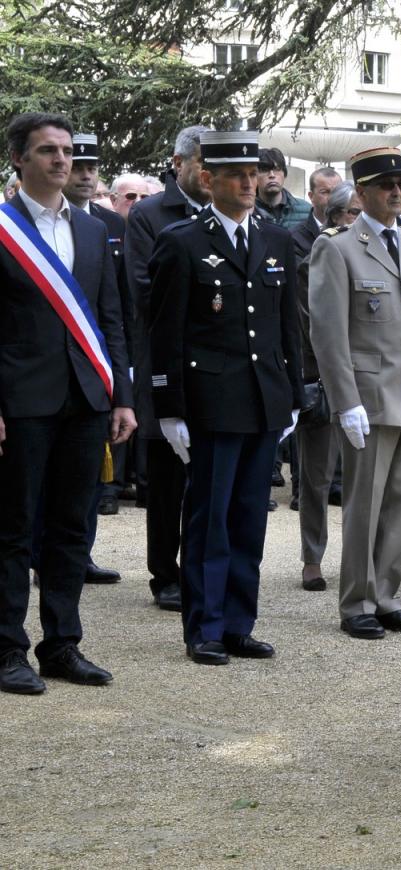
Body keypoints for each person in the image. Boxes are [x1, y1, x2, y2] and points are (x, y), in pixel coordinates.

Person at [148, 130, 303, 665]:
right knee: (208, 520)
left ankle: (239, 622)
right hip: (211, 401)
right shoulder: (182, 240)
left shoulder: (276, 239)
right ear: (208, 179)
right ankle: (205, 628)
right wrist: (169, 408)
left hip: (264, 399)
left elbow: (288, 326)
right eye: (237, 174)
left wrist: (295, 395)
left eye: (254, 173)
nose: (248, 182)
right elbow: (164, 332)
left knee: (248, 521)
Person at [0, 112, 135, 694]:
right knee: (12, 531)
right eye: (48, 151)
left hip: (86, 398)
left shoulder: (90, 230)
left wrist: (122, 398)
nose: (62, 160)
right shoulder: (3, 228)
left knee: (71, 529)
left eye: (67, 151)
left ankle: (62, 645)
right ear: (19, 161)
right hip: (21, 400)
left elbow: (111, 320)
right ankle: (8, 650)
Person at [309, 147, 401, 639]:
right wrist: (344, 401)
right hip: (368, 398)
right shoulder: (338, 247)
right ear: (363, 191)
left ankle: (387, 595)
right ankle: (357, 602)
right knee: (365, 505)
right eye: (386, 184)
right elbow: (329, 335)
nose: (397, 192)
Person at [124, 125, 210, 612]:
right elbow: (144, 288)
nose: (207, 172)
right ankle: (165, 574)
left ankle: (200, 567)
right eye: (201, 162)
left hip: (217, 368)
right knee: (165, 479)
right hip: (165, 363)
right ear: (178, 164)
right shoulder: (148, 215)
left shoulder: (229, 213)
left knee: (208, 474)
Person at [291, 183, 360, 591]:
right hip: (322, 377)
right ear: (333, 218)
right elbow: (309, 325)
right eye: (350, 213)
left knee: (362, 477)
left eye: (358, 213)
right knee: (316, 477)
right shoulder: (313, 262)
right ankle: (312, 558)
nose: (355, 221)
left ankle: (359, 556)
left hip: (368, 378)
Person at [64, 133, 132, 546]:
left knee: (87, 471)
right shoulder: (16, 226)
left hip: (93, 364)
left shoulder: (110, 225)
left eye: (92, 168)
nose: (86, 176)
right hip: (42, 368)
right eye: (79, 167)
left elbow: (118, 305)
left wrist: (122, 374)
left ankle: (81, 553)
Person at [254, 147, 311, 229]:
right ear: (254, 176)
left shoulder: (306, 211)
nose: (272, 175)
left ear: (284, 174)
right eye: (264, 170)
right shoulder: (247, 211)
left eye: (277, 169)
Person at [292, 167, 341, 256]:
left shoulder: (352, 229)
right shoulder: (296, 237)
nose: (333, 198)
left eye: (337, 192)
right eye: (325, 192)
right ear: (311, 196)